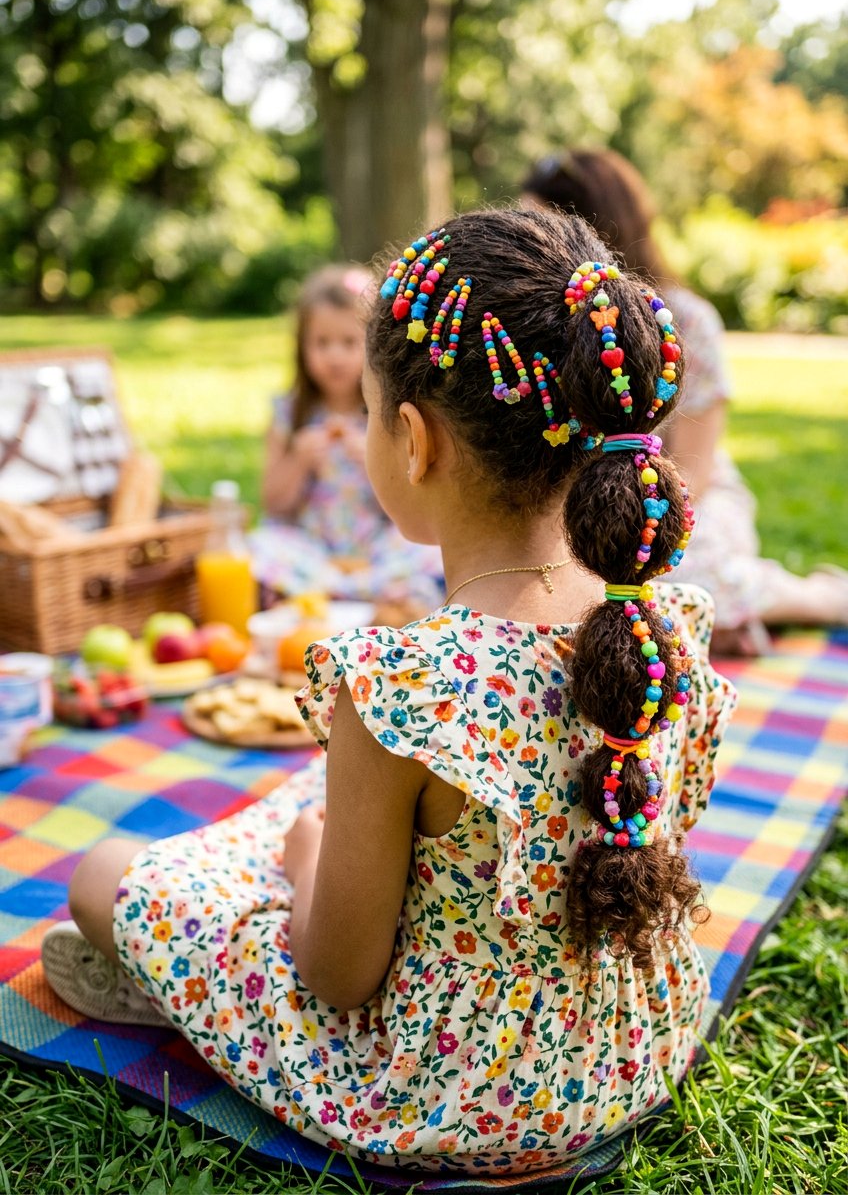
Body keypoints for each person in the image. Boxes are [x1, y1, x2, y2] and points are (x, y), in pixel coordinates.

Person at [42, 209, 737, 1175]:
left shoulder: (402, 692)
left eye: (368, 410)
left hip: (439, 1090)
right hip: (630, 1048)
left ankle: (193, 968)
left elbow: (338, 977)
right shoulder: (663, 632)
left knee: (103, 875)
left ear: (413, 441)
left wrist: (303, 866)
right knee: (309, 807)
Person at [523, 148, 848, 656]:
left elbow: (696, 467)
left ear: (595, 228)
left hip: (678, 497)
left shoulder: (688, 321)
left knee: (689, 574)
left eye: (540, 225)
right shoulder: (542, 327)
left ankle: (819, 599)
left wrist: (629, 519)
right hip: (577, 504)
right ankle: (710, 629)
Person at [250, 262, 442, 612]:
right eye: (322, 343)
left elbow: (412, 498)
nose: (335, 356)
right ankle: (362, 594)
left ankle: (322, 596)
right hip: (313, 546)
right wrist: (299, 461)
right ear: (301, 347)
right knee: (260, 546)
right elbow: (273, 502)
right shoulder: (290, 413)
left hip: (376, 547)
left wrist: (374, 459)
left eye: (348, 342)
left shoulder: (385, 414)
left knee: (433, 549)